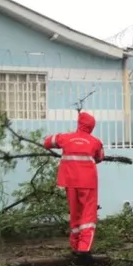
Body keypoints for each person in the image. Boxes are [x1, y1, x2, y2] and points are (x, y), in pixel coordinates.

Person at [44, 111, 104, 258]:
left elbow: (47, 142)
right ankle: (84, 250)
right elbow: (100, 157)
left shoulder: (65, 138)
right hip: (88, 182)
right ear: (91, 127)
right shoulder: (95, 142)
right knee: (88, 215)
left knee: (75, 213)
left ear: (79, 124)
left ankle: (75, 246)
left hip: (69, 181)